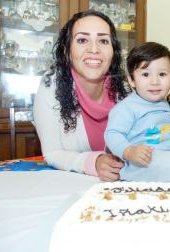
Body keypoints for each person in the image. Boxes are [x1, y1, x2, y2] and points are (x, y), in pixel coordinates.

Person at [33, 10, 129, 182]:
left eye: (103, 40)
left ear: (113, 51)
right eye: (82, 40)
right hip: (70, 185)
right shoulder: (50, 86)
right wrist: (93, 162)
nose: (94, 49)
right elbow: (52, 153)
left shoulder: (125, 90)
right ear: (67, 51)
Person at [104, 42, 170, 183]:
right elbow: (112, 134)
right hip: (141, 164)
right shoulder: (127, 107)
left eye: (162, 74)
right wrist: (129, 151)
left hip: (169, 155)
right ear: (132, 80)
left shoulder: (165, 105)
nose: (155, 81)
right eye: (146, 74)